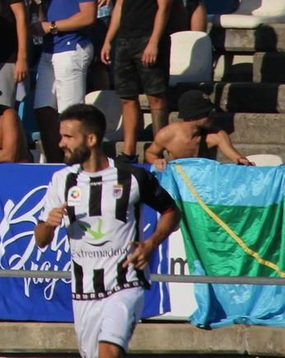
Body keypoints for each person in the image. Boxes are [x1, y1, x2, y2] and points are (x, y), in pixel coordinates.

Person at [36, 104, 181, 358]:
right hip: (83, 293)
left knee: (109, 351)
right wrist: (48, 224)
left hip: (125, 283)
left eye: (68, 137)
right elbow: (40, 240)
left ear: (91, 139)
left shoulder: (132, 177)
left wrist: (151, 243)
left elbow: (172, 211)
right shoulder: (62, 180)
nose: (60, 143)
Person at [102, 0, 175, 158]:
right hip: (124, 39)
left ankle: (159, 149)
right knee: (127, 97)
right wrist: (108, 40)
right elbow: (120, 5)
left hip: (148, 38)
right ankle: (129, 151)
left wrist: (154, 42)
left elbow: (164, 6)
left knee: (156, 97)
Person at [34, 0, 98, 162]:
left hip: (71, 49)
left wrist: (51, 26)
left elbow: (88, 16)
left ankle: (76, 166)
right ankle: (55, 164)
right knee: (43, 110)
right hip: (52, 50)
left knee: (71, 117)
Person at [144, 91, 253, 166]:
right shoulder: (167, 135)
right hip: (179, 182)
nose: (213, 116)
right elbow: (150, 153)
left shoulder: (217, 135)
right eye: (208, 113)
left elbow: (236, 157)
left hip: (204, 182)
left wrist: (242, 161)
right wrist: (156, 161)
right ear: (193, 116)